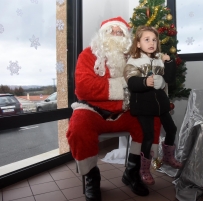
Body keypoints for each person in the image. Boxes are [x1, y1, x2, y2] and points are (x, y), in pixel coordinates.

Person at [66, 17, 161, 201]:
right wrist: (124, 85)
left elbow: (144, 84)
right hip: (93, 111)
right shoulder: (87, 55)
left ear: (126, 37)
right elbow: (84, 88)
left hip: (126, 111)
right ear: (102, 35)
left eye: (120, 32)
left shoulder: (134, 58)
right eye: (111, 31)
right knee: (77, 128)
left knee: (152, 121)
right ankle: (92, 177)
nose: (116, 35)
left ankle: (133, 172)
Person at [123, 25, 182, 185]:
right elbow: (132, 82)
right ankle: (144, 169)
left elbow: (169, 79)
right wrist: (144, 81)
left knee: (172, 129)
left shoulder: (158, 60)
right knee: (148, 136)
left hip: (160, 104)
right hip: (143, 105)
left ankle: (168, 156)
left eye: (154, 40)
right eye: (147, 39)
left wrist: (169, 62)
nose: (151, 43)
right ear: (138, 44)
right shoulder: (133, 61)